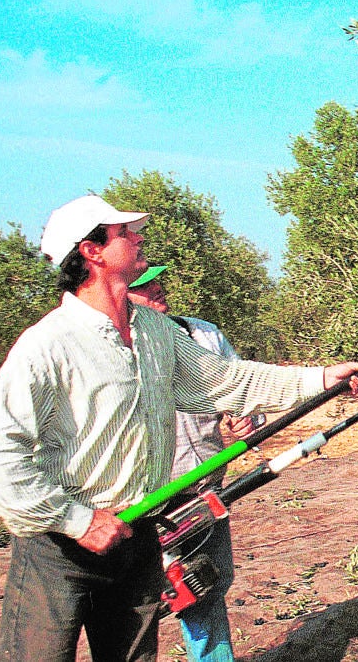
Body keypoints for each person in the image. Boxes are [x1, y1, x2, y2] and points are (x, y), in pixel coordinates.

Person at [0, 194, 358, 662]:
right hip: (59, 549)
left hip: (137, 540)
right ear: (92, 252)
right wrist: (76, 521)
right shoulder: (48, 344)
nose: (138, 238)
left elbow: (227, 381)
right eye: (123, 233)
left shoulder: (156, 332)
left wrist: (321, 378)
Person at [126, 264, 254, 661]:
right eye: (143, 286)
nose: (156, 289)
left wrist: (246, 416)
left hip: (206, 489)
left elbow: (242, 390)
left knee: (206, 581)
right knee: (145, 600)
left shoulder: (203, 335)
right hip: (149, 499)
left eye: (156, 281)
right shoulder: (115, 349)